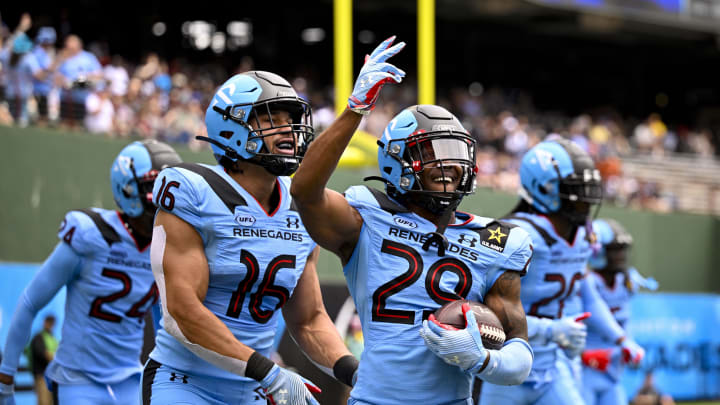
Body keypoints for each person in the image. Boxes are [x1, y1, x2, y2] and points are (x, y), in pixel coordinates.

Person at [291, 36, 534, 404]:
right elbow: (305, 191)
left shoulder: (496, 240)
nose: (448, 166)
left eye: (454, 154)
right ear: (396, 161)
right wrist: (355, 109)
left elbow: (520, 356)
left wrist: (482, 359)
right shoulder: (366, 217)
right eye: (430, 153)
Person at [144, 70, 358, 405]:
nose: (288, 128)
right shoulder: (194, 192)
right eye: (273, 118)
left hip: (254, 385)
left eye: (292, 119)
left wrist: (354, 372)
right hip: (187, 383)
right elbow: (181, 312)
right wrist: (267, 371)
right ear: (232, 127)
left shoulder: (299, 204)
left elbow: (309, 319)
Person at [0, 140, 182, 405]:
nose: (165, 198)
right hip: (78, 379)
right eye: (154, 188)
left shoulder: (166, 249)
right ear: (128, 188)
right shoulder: (91, 235)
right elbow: (30, 301)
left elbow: (164, 326)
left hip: (130, 379)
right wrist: (5, 377)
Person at [479, 137, 644, 405]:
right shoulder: (516, 234)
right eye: (575, 189)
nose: (584, 198)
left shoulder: (582, 235)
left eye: (587, 188)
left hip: (552, 364)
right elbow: (488, 312)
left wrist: (621, 338)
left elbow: (588, 295)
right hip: (504, 362)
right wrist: (552, 330)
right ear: (542, 187)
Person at [581, 218, 657, 405]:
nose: (621, 256)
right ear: (597, 251)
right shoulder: (585, 282)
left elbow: (625, 319)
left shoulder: (626, 281)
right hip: (583, 370)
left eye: (622, 250)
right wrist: (582, 354)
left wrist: (626, 345)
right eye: (615, 250)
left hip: (611, 371)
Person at [26, 315, 58, 405]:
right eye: (49, 322)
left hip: (52, 377)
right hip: (42, 376)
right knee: (44, 402)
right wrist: (55, 359)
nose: (50, 325)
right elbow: (43, 353)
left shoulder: (52, 338)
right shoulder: (39, 337)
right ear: (45, 322)